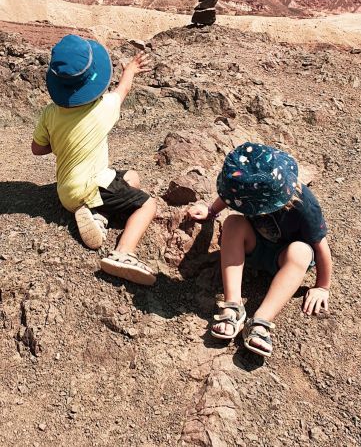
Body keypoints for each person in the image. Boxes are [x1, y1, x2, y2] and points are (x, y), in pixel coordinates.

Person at [31, 34, 157, 286]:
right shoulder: (104, 107)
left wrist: (61, 143)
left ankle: (97, 216)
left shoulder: (49, 113)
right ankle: (123, 253)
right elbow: (123, 89)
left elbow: (37, 149)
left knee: (131, 177)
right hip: (92, 186)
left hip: (65, 192)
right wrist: (130, 69)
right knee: (148, 204)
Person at [188, 142, 332, 357]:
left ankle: (261, 322)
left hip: (285, 259)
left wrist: (322, 286)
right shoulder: (246, 193)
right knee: (233, 223)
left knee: (302, 251)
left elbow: (321, 247)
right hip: (255, 247)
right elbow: (230, 197)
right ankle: (232, 306)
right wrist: (210, 211)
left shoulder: (305, 203)